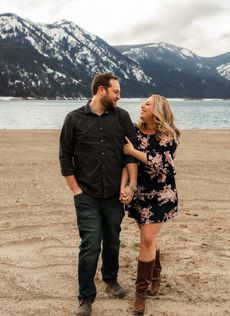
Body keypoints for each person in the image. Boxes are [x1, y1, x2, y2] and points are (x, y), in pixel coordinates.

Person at [59, 73, 138, 316]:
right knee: (90, 243)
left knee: (113, 240)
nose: (119, 96)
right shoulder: (74, 119)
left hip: (115, 195)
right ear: (101, 90)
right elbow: (65, 157)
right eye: (116, 91)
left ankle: (111, 280)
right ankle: (86, 297)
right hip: (87, 196)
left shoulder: (122, 117)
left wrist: (131, 186)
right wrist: (76, 191)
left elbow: (130, 154)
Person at [122, 95, 180, 315]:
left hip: (161, 194)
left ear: (157, 109)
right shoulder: (134, 133)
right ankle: (155, 275)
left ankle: (140, 295)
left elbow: (163, 163)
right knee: (150, 238)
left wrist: (133, 151)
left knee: (146, 239)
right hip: (140, 193)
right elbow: (126, 162)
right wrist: (127, 186)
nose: (141, 106)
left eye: (146, 104)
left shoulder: (169, 135)